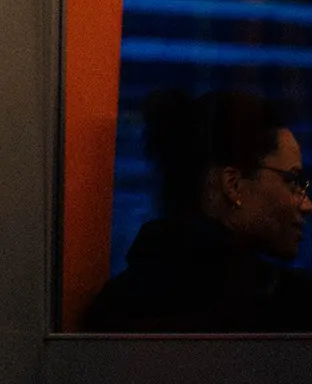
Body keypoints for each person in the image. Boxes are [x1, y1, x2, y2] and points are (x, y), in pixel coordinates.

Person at [84, 89, 312, 331]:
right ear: (233, 185)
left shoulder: (116, 301)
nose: (307, 204)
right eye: (293, 180)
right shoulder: (282, 306)